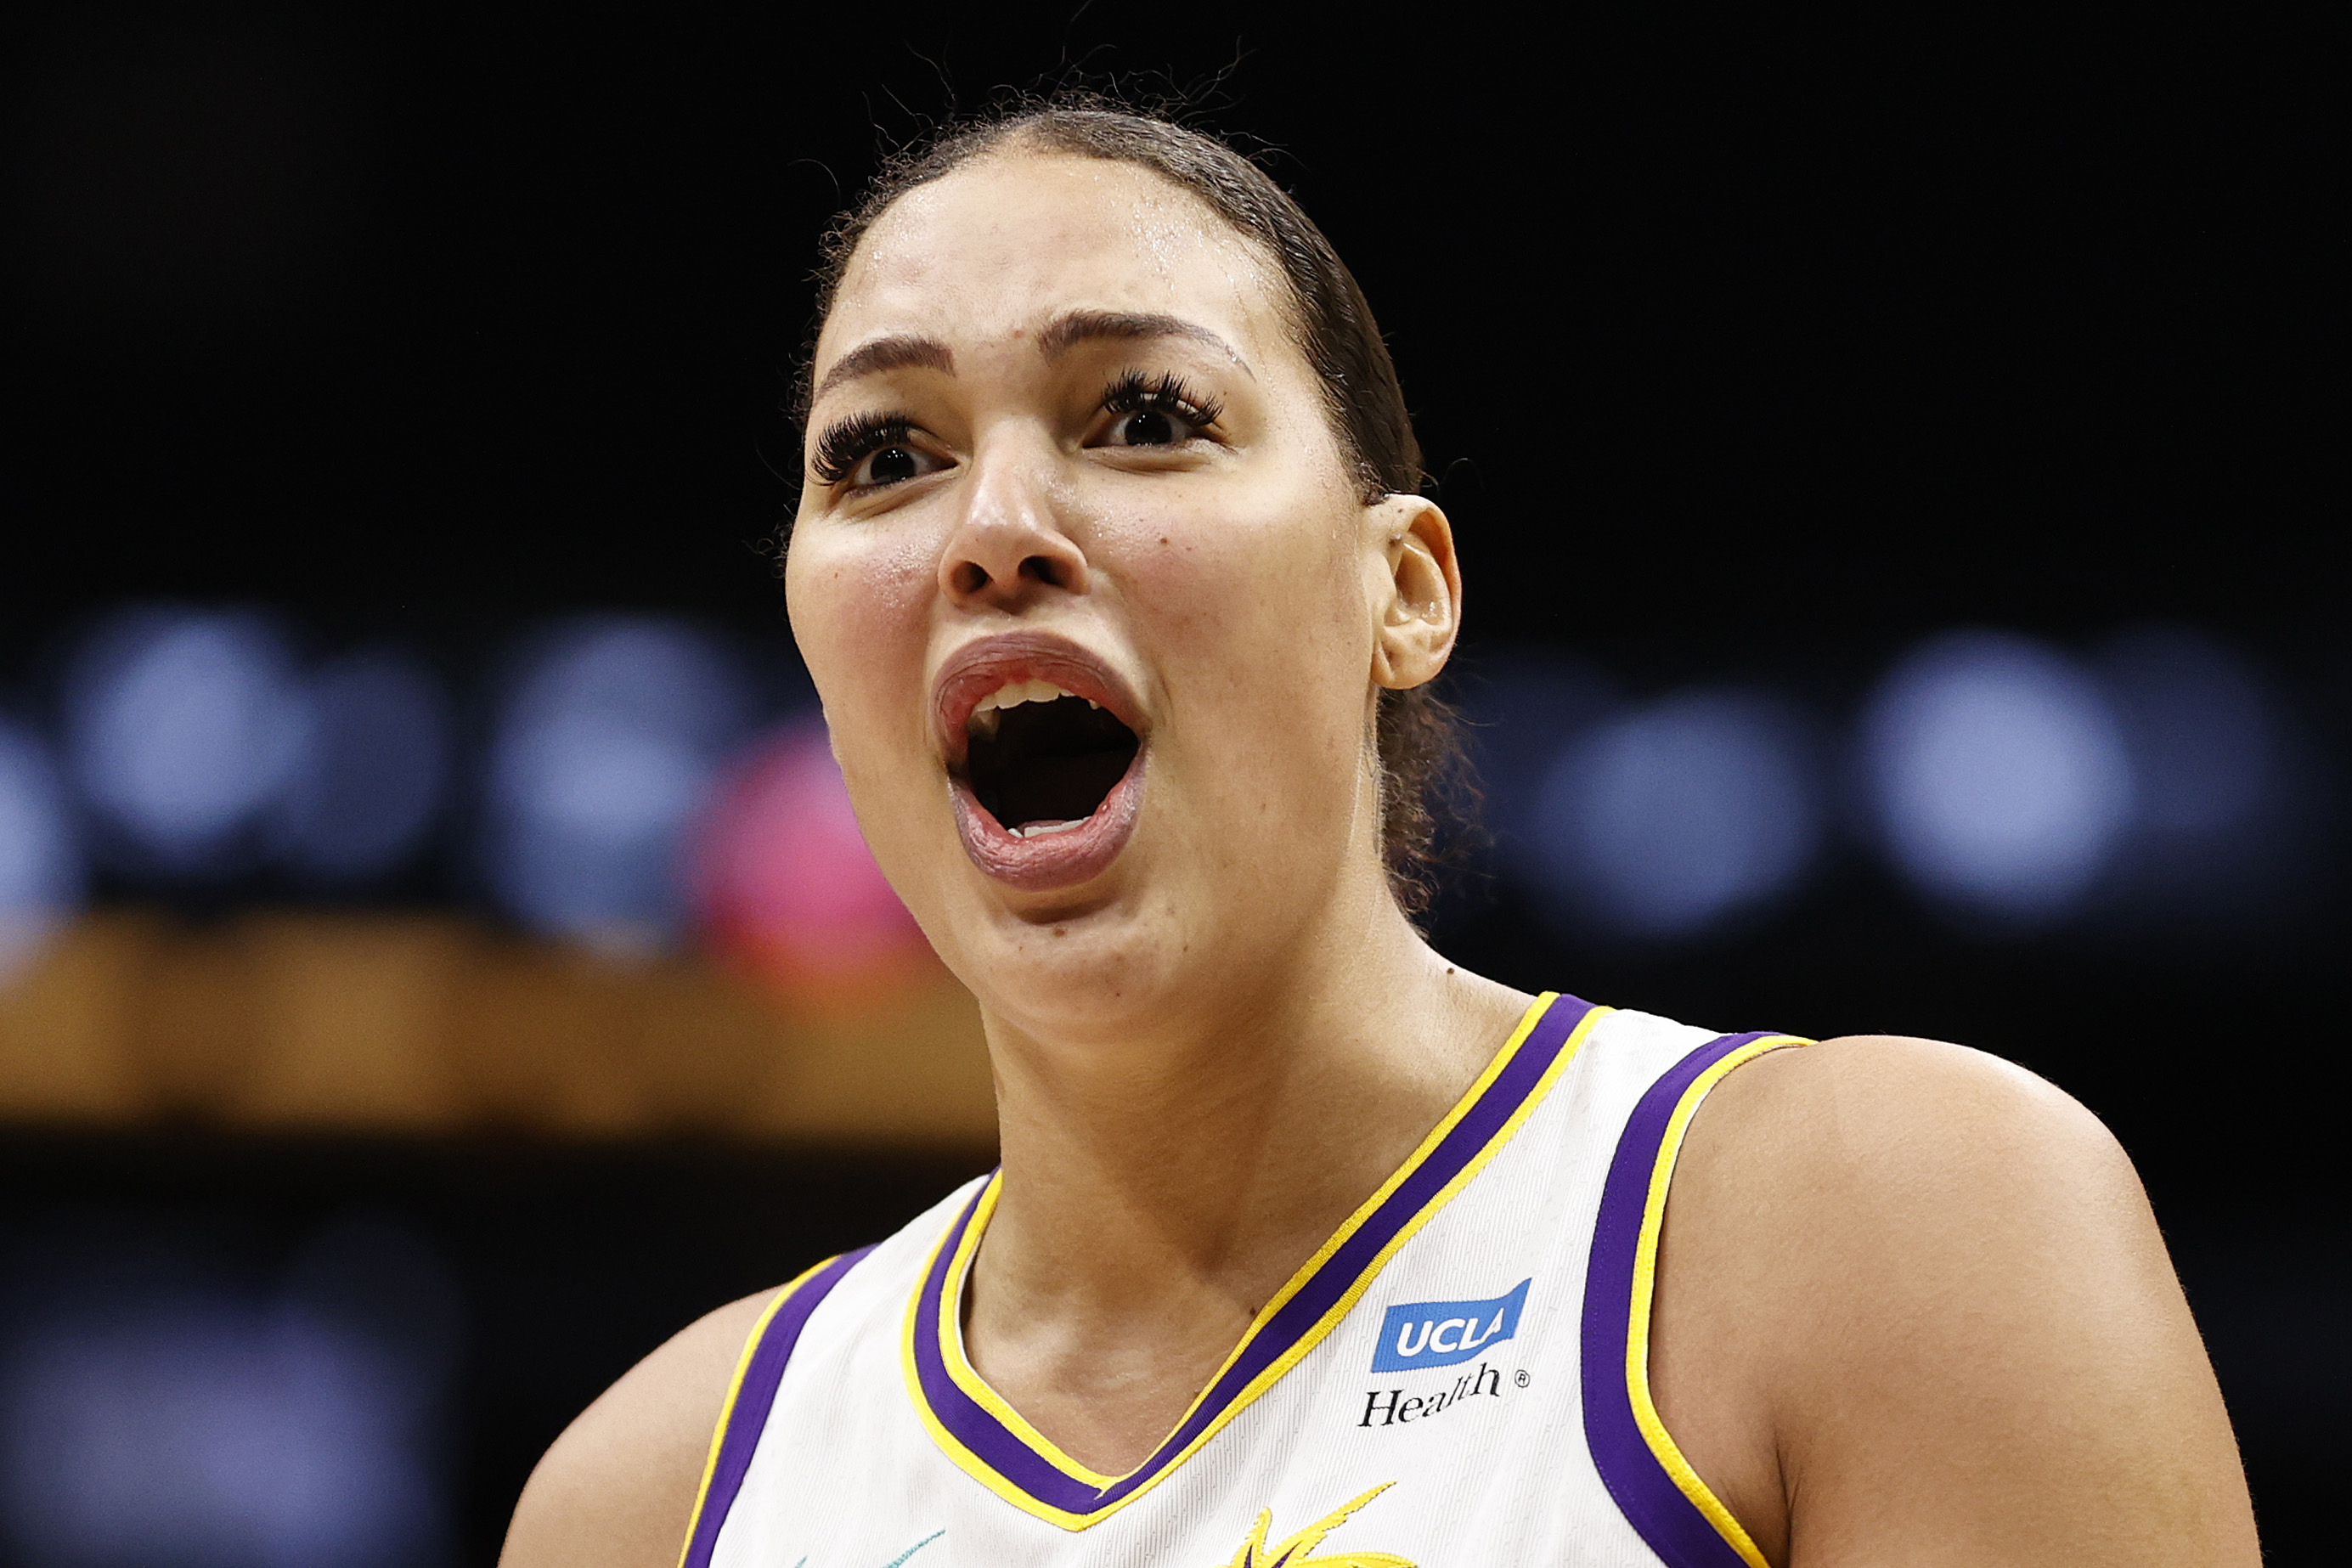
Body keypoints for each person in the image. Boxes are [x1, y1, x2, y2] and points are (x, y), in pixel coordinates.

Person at [501, 102, 2258, 1566]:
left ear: (1399, 588)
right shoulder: (654, 1495)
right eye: (881, 452)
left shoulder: (1885, 1218)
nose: (994, 525)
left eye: (1142, 416)